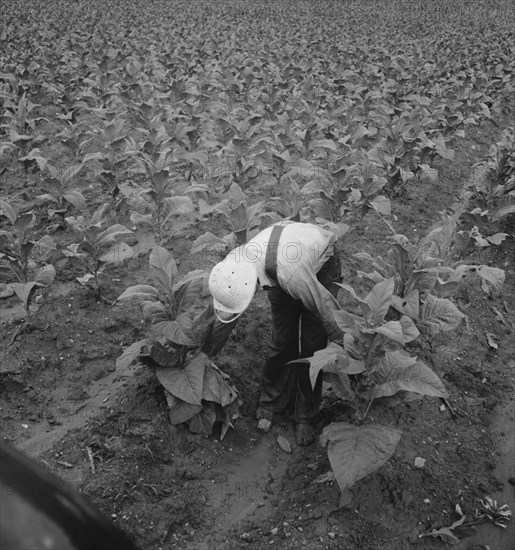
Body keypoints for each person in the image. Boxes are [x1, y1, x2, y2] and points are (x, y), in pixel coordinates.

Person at [207, 220, 343, 445]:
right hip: (281, 259)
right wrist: (206, 353)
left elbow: (327, 312)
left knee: (312, 346)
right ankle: (272, 401)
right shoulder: (234, 266)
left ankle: (305, 416)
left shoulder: (292, 276)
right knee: (281, 339)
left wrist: (353, 348)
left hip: (321, 264)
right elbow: (229, 313)